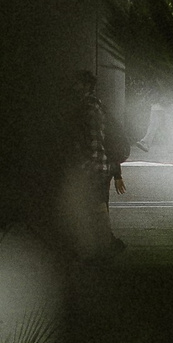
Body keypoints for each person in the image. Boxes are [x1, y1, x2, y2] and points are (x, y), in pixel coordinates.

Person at [72, 70, 126, 260]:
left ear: (86, 85)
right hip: (101, 166)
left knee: (96, 205)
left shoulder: (89, 108)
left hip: (95, 166)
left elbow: (96, 141)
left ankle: (106, 246)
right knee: (98, 204)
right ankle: (107, 243)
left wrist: (87, 165)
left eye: (77, 83)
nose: (74, 87)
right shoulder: (95, 105)